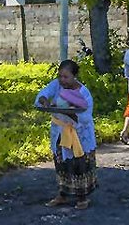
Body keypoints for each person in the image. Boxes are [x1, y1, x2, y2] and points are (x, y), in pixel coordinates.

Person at [36, 60, 98, 209]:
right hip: (60, 131)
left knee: (80, 164)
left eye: (66, 77)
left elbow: (85, 116)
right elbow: (43, 94)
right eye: (60, 76)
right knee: (61, 163)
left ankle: (82, 197)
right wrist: (44, 101)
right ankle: (62, 194)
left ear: (75, 76)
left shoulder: (83, 93)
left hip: (79, 134)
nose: (62, 80)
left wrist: (69, 112)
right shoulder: (56, 85)